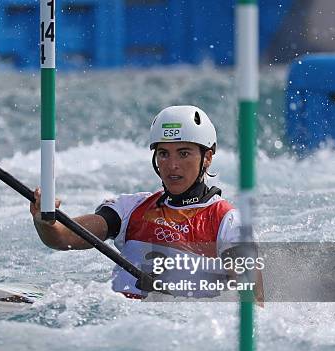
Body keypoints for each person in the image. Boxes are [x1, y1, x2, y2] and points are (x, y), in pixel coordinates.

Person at [30, 105, 263, 302]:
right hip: (114, 322)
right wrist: (46, 221)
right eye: (163, 153)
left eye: (183, 153)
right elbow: (62, 238)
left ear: (207, 158)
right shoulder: (130, 208)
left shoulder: (228, 222)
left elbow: (252, 301)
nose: (172, 165)